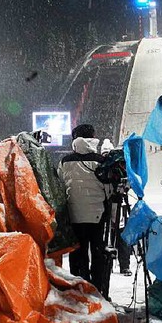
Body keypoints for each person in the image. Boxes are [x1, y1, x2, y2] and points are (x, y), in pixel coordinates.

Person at [58, 124, 110, 295]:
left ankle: (79, 286)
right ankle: (97, 288)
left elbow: (59, 185)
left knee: (77, 251)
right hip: (97, 214)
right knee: (97, 250)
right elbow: (108, 188)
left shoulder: (65, 161)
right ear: (93, 138)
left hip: (74, 214)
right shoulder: (100, 160)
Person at [100, 139, 132, 276]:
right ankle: (113, 264)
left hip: (116, 203)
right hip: (109, 203)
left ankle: (122, 265)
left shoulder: (114, 166)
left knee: (121, 235)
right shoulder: (103, 167)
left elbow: (128, 183)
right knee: (117, 235)